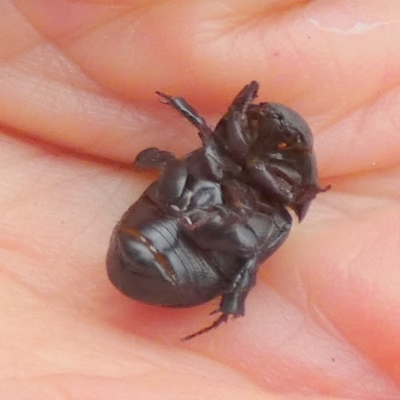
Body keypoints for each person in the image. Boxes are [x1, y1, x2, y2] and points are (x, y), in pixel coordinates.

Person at [0, 1, 399, 398]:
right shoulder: (219, 158)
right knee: (185, 171)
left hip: (186, 251)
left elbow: (267, 214)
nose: (260, 134)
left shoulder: (274, 206)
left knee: (235, 234)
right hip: (160, 233)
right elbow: (210, 147)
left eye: (280, 139)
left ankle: (228, 295)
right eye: (255, 120)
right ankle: (209, 242)